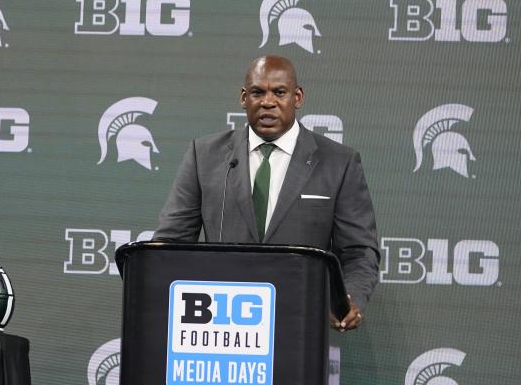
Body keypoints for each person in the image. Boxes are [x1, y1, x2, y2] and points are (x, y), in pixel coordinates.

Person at [154, 55, 379, 332]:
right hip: (220, 327)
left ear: (297, 97)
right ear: (243, 98)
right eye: (257, 92)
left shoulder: (338, 162)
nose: (268, 102)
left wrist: (349, 300)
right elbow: (170, 244)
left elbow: (358, 251)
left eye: (279, 92)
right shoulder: (205, 156)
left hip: (300, 323)